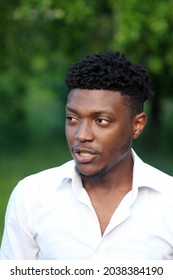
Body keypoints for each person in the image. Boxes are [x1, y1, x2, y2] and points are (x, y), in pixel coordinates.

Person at [1, 51, 173, 260]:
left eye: (101, 121)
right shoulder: (31, 197)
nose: (81, 135)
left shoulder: (168, 202)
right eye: (72, 119)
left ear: (137, 125)